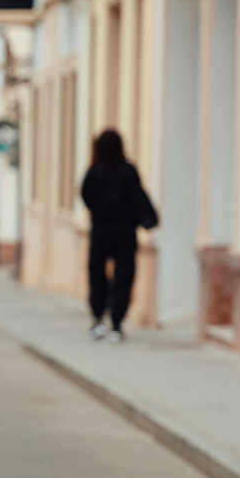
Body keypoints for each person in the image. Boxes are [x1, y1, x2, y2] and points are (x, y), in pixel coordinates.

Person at [79, 129, 157, 343]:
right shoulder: (127, 171)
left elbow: (85, 195)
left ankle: (98, 318)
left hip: (101, 230)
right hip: (125, 230)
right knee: (124, 275)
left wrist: (99, 210)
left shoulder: (94, 172)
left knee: (97, 273)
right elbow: (138, 195)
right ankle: (116, 323)